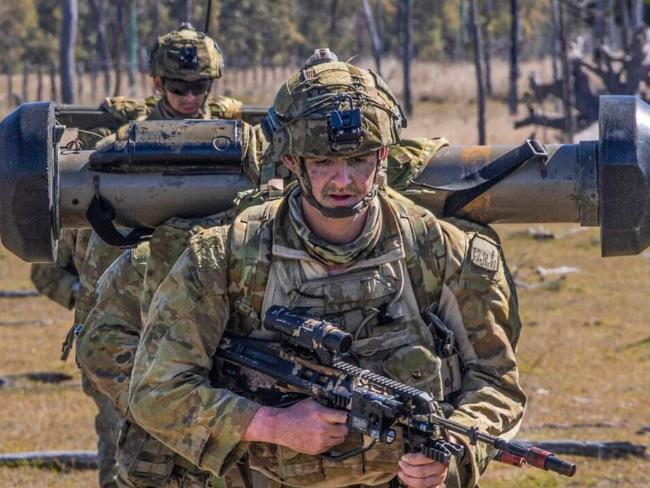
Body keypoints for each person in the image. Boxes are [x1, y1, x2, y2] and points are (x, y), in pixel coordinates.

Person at [128, 58, 526, 488]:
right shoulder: (227, 257)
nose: (343, 179)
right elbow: (157, 392)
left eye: (358, 160)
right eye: (323, 161)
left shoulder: (440, 251)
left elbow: (496, 384)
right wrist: (271, 424)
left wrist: (455, 450)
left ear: (383, 156)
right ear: (294, 163)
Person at [30, 22, 242, 488]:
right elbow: (48, 270)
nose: (190, 97)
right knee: (124, 449)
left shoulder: (230, 143)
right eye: (178, 86)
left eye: (200, 86)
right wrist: (85, 295)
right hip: (124, 334)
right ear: (157, 84)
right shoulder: (121, 155)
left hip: (199, 333)